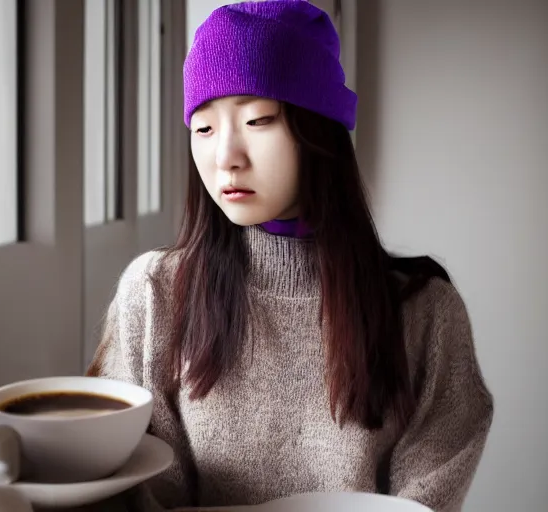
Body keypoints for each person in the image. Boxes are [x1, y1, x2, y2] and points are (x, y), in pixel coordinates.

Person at [87, 1, 494, 511]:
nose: (225, 157)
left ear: (318, 132)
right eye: (205, 127)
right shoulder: (153, 295)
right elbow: (122, 484)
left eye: (257, 119)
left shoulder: (427, 315)